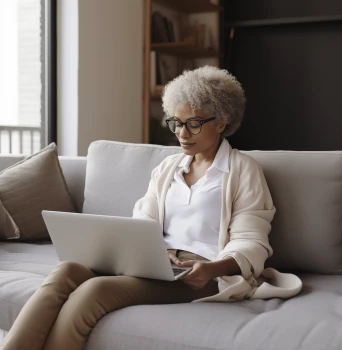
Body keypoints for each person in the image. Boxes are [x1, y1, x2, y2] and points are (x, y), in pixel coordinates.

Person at [1, 66, 301, 350]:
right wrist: (152, 250)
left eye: (193, 124)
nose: (182, 133)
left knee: (95, 292)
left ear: (221, 122)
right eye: (176, 122)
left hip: (204, 275)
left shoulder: (242, 170)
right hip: (157, 262)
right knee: (67, 270)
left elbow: (252, 242)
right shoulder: (169, 167)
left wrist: (211, 268)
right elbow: (143, 220)